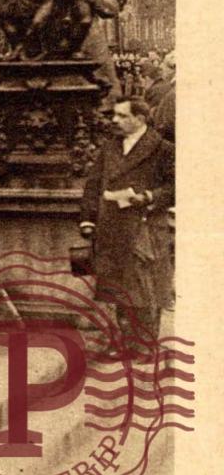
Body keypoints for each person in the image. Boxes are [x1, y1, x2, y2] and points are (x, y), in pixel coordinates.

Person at [79, 98, 175, 347]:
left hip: (143, 226)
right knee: (118, 286)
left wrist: (148, 197)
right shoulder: (109, 147)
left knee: (143, 286)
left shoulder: (162, 149)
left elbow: (176, 186)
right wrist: (87, 218)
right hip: (111, 225)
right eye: (115, 116)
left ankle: (144, 342)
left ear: (140, 119)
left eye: (122, 116)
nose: (114, 120)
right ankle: (124, 340)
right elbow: (94, 183)